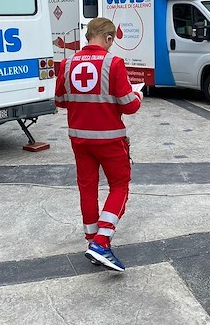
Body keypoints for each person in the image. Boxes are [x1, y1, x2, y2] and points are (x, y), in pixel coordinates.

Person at [55, 17, 143, 272]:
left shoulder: (67, 63)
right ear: (107, 38)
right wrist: (137, 94)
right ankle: (102, 242)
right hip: (109, 138)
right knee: (119, 186)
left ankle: (91, 238)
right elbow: (129, 105)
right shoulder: (113, 62)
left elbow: (60, 100)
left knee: (87, 186)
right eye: (112, 40)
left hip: (79, 138)